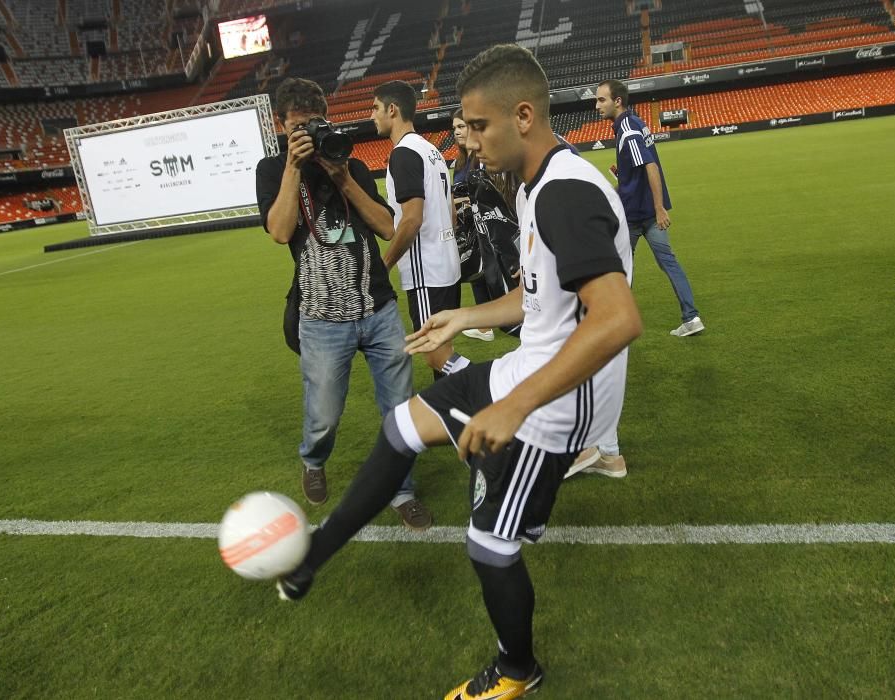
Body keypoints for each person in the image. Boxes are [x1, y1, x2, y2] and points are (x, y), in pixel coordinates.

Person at [275, 45, 642, 700]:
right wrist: (465, 317)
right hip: (530, 369)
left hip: (556, 406)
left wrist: (515, 407)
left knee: (489, 545)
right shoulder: (538, 182)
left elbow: (615, 320)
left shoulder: (563, 194)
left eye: (477, 126)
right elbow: (539, 298)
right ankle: (315, 556)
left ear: (523, 115)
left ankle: (516, 668)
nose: (466, 143)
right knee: (401, 427)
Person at [255, 77, 432, 530]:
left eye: (315, 125)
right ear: (282, 128)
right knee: (324, 413)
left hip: (378, 308)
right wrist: (295, 167)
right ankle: (314, 459)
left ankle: (404, 490)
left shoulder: (348, 163)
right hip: (320, 318)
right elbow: (279, 231)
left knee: (399, 407)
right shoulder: (271, 170)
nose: (309, 135)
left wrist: (342, 177)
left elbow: (388, 227)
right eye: (298, 129)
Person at [372, 80, 471, 380]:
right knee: (441, 350)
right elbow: (450, 212)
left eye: (375, 108)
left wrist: (384, 265)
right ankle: (455, 417)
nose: (371, 116)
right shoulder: (431, 150)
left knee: (434, 355)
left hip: (427, 270)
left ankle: (492, 384)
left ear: (392, 109)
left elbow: (412, 219)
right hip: (446, 264)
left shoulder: (403, 154)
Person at [595, 78, 705, 337]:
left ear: (617, 101)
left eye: (602, 100)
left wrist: (659, 208)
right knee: (668, 263)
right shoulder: (635, 123)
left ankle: (615, 322)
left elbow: (650, 166)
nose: (597, 105)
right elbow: (639, 169)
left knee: (619, 265)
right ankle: (692, 318)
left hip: (637, 215)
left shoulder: (628, 130)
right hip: (643, 210)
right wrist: (620, 182)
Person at [453, 108, 496, 342]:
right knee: (476, 273)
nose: (457, 132)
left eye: (461, 126)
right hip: (469, 227)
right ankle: (485, 325)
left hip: (486, 224)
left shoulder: (482, 157)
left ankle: (503, 321)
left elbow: (487, 192)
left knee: (491, 273)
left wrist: (459, 200)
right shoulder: (461, 161)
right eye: (454, 128)